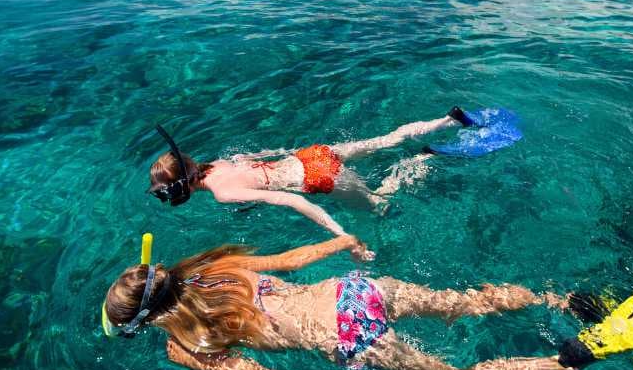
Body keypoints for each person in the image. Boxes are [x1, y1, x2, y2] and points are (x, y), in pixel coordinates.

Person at [102, 234, 577, 370]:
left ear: (146, 321)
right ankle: (556, 299)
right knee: (466, 303)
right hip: (353, 289)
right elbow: (289, 260)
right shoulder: (216, 266)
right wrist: (344, 241)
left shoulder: (183, 343)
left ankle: (567, 360)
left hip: (350, 335)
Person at [147, 107, 477, 257]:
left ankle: (425, 158)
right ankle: (447, 120)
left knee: (380, 204)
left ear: (182, 189)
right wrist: (290, 152)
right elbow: (264, 154)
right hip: (310, 155)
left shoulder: (222, 193)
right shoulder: (217, 164)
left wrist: (342, 236)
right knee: (384, 140)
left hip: (318, 177)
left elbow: (294, 201)